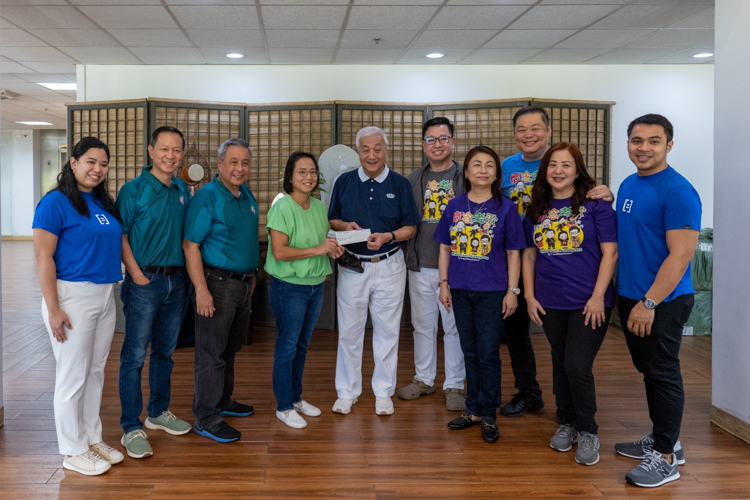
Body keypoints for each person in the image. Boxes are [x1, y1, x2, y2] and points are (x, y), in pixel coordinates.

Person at [500, 106, 613, 417]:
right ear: (514, 134)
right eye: (522, 129)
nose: (529, 134)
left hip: (564, 268)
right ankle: (529, 392)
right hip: (518, 258)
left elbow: (603, 232)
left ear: (548, 132)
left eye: (536, 128)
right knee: (516, 332)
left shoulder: (565, 165)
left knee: (569, 356)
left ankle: (580, 421)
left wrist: (605, 193)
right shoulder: (505, 167)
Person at [614, 114, 700, 488]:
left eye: (653, 141)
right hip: (631, 295)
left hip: (660, 301)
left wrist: (649, 303)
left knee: (663, 373)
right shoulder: (630, 183)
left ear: (669, 145)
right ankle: (665, 437)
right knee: (649, 370)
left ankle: (666, 457)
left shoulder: (677, 190)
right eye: (636, 140)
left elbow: (680, 256)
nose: (643, 147)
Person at [522, 142, 618, 466]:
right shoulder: (536, 208)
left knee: (577, 365)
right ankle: (567, 422)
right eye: (552, 165)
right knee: (561, 361)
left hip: (589, 301)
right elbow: (529, 254)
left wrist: (598, 297)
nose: (559, 171)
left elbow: (610, 253)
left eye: (566, 165)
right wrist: (530, 296)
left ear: (578, 170)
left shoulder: (596, 205)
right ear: (544, 170)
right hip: (550, 300)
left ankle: (588, 430)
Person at [33, 137, 124, 475]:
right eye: (90, 162)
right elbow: (43, 257)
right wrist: (53, 308)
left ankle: (90, 437)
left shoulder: (102, 202)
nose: (97, 169)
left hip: (104, 295)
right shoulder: (54, 203)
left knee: (96, 371)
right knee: (72, 376)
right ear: (73, 163)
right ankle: (72, 450)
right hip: (71, 297)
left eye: (103, 164)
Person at [436, 145, 526, 444]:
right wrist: (444, 283)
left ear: (497, 173)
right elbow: (445, 248)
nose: (483, 170)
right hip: (461, 290)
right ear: (466, 171)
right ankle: (472, 409)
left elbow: (515, 254)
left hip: (492, 292)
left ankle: (489, 413)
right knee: (469, 351)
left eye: (490, 165)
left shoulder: (506, 208)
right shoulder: (454, 206)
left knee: (488, 354)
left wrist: (513, 291)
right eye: (477, 164)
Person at [328, 126, 420, 416]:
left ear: (386, 150)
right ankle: (347, 392)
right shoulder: (343, 182)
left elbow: (411, 227)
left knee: (388, 332)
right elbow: (333, 219)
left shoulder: (400, 184)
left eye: (377, 148)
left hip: (390, 264)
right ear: (357, 151)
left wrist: (388, 236)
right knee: (349, 332)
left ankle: (383, 392)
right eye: (365, 149)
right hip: (353, 265)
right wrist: (345, 227)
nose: (371, 155)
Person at [116, 126, 193, 459]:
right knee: (134, 356)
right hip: (144, 281)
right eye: (164, 149)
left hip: (176, 283)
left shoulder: (182, 190)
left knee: (165, 353)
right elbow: (120, 236)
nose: (170, 156)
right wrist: (136, 275)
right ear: (151, 151)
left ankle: (158, 412)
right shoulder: (132, 190)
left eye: (176, 150)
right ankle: (131, 426)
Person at [183, 138, 260, 442]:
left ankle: (223, 402)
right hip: (216, 284)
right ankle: (206, 417)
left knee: (229, 350)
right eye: (233, 162)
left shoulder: (245, 194)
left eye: (245, 162)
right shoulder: (207, 197)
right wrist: (201, 290)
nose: (240, 168)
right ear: (219, 164)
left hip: (241, 286)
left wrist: (249, 281)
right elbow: (190, 245)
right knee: (210, 354)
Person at [265, 152, 344, 429]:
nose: (308, 177)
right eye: (301, 172)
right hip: (289, 287)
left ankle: (296, 399)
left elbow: (322, 242)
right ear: (290, 177)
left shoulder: (319, 207)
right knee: (287, 346)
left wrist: (332, 248)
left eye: (312, 172)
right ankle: (284, 407)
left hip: (316, 285)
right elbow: (280, 251)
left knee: (301, 345)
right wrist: (319, 249)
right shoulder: (282, 206)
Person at [400, 117, 466, 411]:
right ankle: (424, 379)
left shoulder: (466, 176)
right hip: (420, 263)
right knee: (422, 326)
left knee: (453, 328)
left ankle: (454, 384)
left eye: (443, 138)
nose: (437, 144)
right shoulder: (412, 179)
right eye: (431, 139)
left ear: (452, 141)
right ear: (423, 145)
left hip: (456, 268)